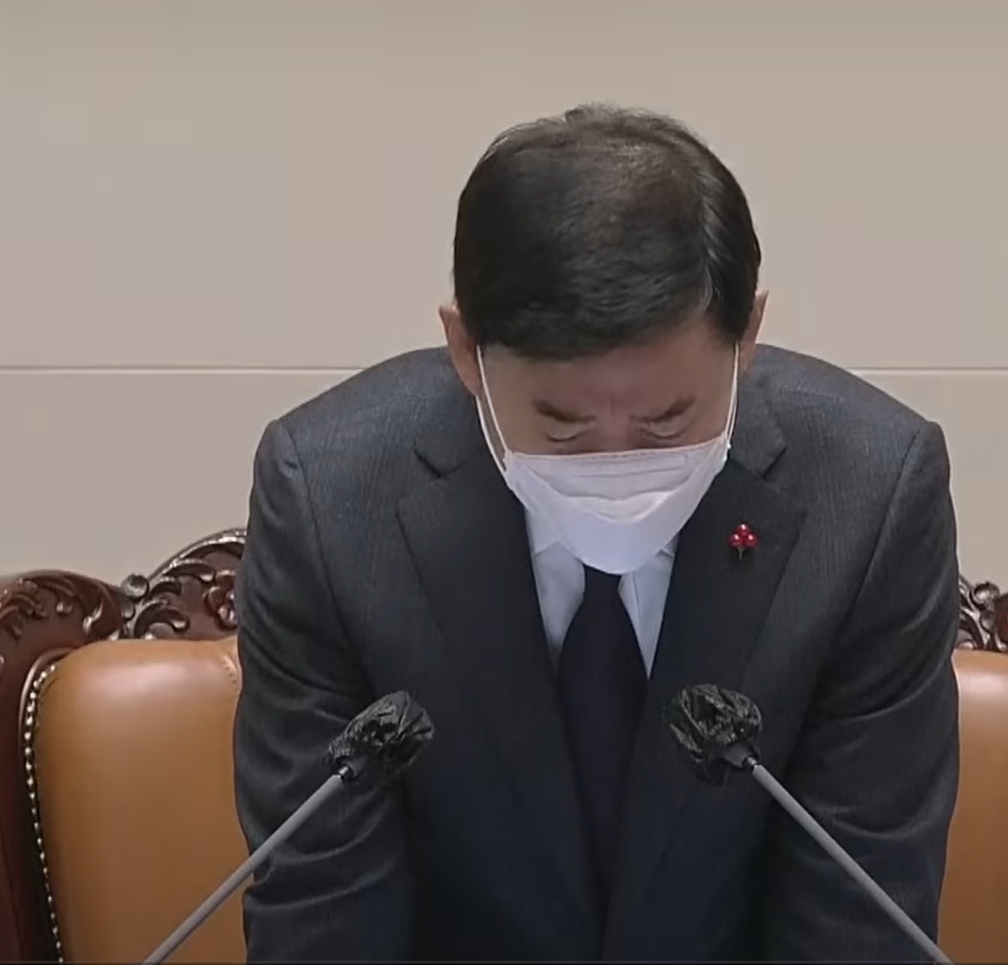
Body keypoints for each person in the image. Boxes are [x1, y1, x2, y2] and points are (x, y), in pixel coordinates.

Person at [233, 104, 961, 962]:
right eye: (563, 426)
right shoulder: (329, 502)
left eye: (667, 421)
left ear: (747, 337)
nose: (617, 460)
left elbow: (858, 919)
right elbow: (322, 914)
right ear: (465, 352)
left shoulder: (867, 498)